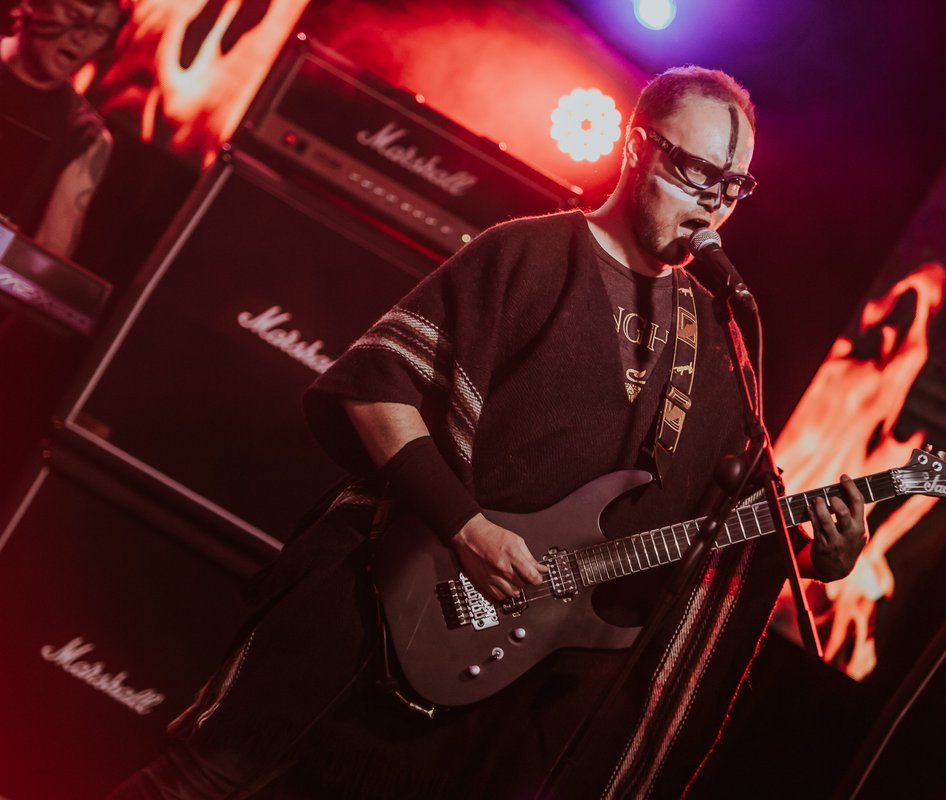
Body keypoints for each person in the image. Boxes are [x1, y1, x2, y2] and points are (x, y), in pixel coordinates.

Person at [110, 65, 868, 799]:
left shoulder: (719, 338)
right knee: (201, 784)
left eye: (732, 187)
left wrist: (808, 554)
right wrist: (466, 527)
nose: (714, 204)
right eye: (698, 172)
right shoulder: (528, 252)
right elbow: (376, 388)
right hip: (381, 595)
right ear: (640, 145)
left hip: (500, 674)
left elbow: (697, 525)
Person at [0, 0, 128, 258]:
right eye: (73, 15)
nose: (82, 37)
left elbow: (47, 256)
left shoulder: (86, 136)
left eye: (99, 30)